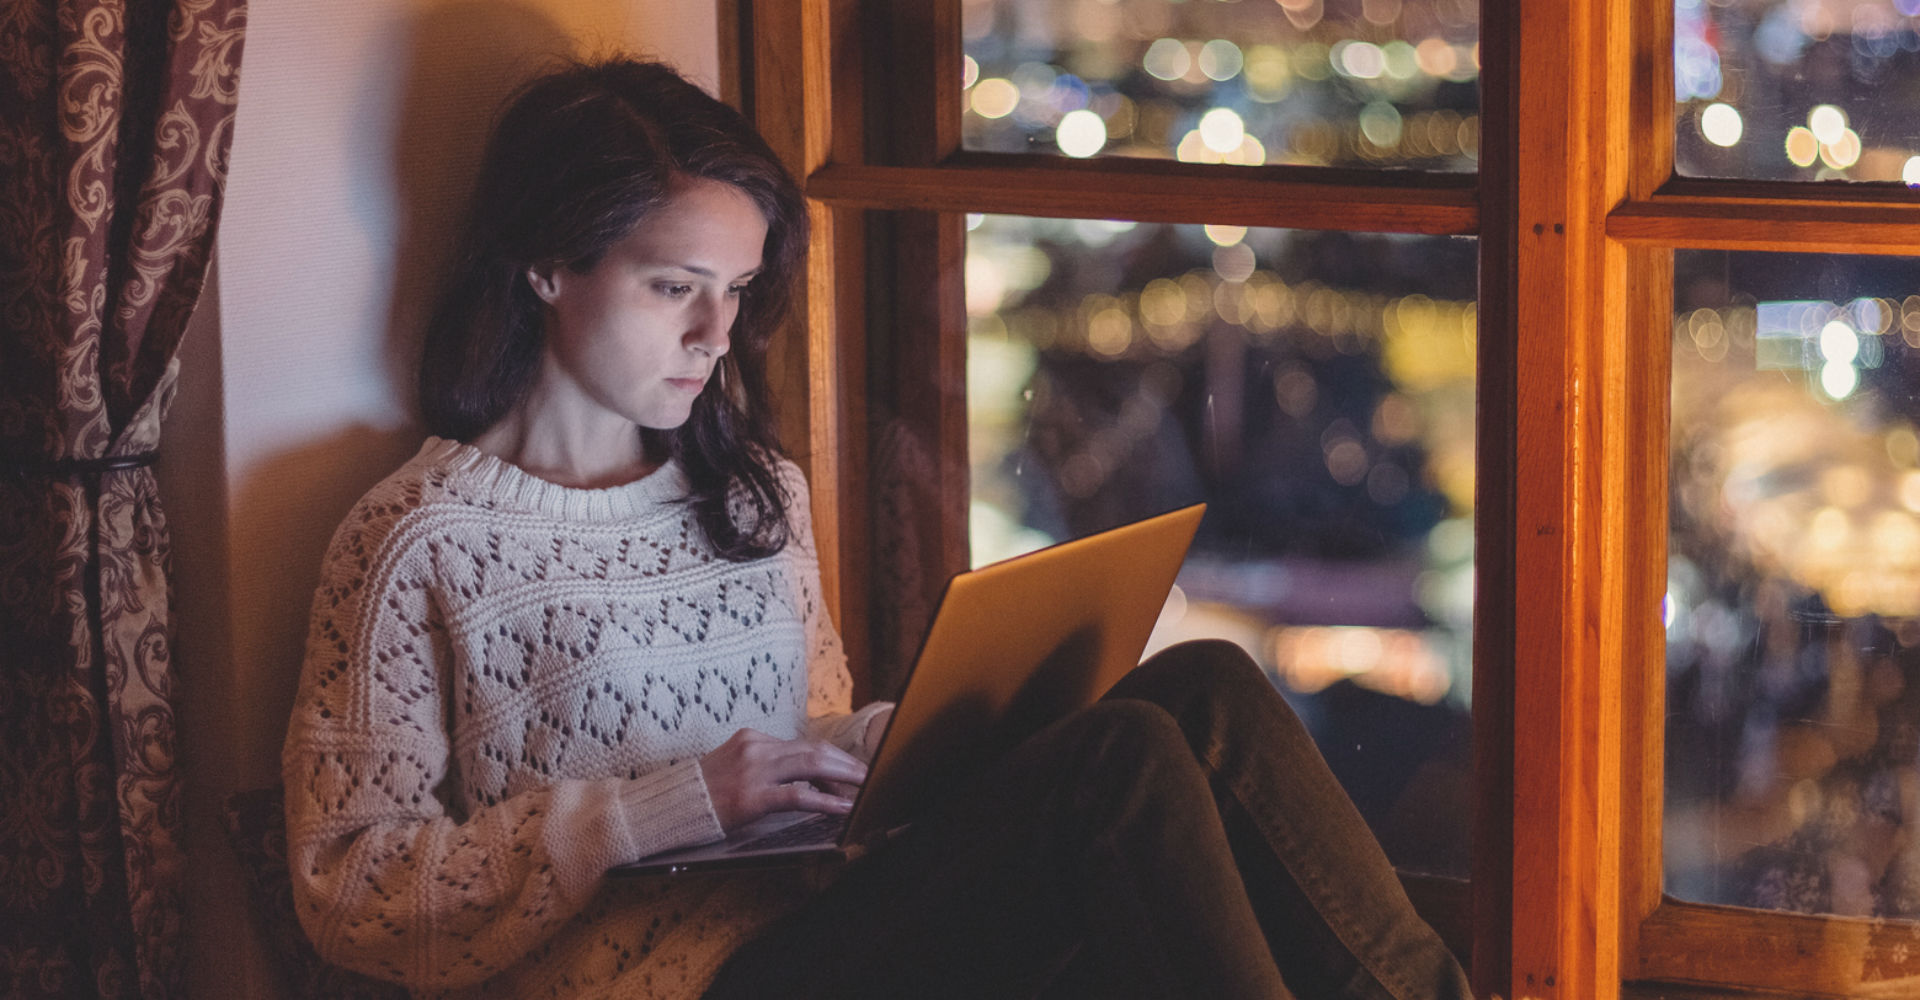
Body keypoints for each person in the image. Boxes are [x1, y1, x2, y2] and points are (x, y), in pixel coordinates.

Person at [281, 57, 1474, 1000]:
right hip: (668, 983)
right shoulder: (421, 540)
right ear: (548, 263)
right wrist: (659, 806)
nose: (717, 333)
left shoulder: (750, 492)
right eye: (673, 285)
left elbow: (804, 740)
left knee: (1204, 686)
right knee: (1119, 769)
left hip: (831, 929)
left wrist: (885, 742)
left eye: (739, 290)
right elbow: (352, 894)